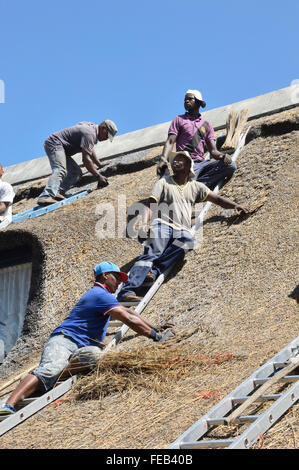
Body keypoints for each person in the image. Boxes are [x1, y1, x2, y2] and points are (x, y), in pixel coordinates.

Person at [0, 261, 173, 416]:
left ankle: (50, 380)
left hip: (81, 347)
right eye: (117, 277)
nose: (120, 282)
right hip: (65, 340)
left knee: (95, 356)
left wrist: (154, 327)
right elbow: (127, 319)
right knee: (49, 369)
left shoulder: (105, 297)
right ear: (105, 276)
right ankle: (8, 405)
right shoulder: (99, 294)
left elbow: (130, 312)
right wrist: (155, 336)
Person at [118, 151, 249, 303]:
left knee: (187, 241)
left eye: (180, 159)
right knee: (152, 253)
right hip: (162, 224)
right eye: (174, 160)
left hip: (181, 229)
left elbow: (218, 199)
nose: (175, 162)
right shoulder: (164, 182)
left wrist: (235, 206)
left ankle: (153, 272)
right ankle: (127, 290)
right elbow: (151, 203)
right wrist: (145, 223)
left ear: (189, 166)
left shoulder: (196, 187)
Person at [157, 90, 237, 189]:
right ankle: (192, 188)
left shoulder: (206, 125)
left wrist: (223, 156)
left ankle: (196, 188)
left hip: (202, 163)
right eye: (185, 99)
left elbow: (213, 151)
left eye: (190, 99)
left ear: (198, 102)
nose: (186, 101)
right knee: (186, 180)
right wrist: (163, 159)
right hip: (186, 162)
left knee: (231, 166)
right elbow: (170, 141)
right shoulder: (179, 120)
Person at [37, 120, 118, 206]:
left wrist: (98, 164)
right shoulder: (90, 133)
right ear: (103, 128)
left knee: (76, 173)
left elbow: (89, 148)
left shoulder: (92, 130)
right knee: (60, 169)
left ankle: (57, 192)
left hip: (63, 149)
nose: (106, 138)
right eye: (107, 135)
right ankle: (46, 196)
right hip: (54, 144)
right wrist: (98, 176)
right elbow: (86, 159)